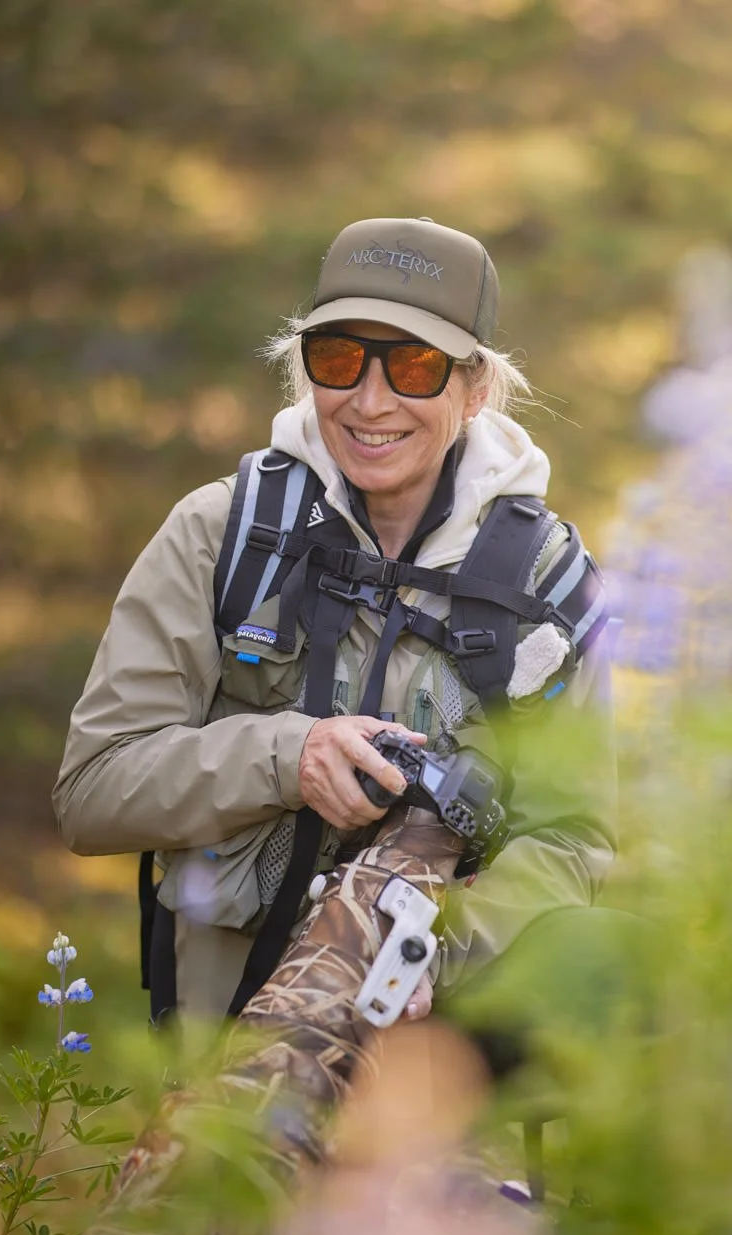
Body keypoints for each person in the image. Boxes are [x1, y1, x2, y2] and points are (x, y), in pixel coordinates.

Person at [52, 215, 617, 1038]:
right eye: (338, 359)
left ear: (475, 389)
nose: (369, 400)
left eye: (414, 366)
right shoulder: (221, 534)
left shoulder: (549, 583)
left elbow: (571, 838)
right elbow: (91, 791)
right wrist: (288, 757)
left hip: (435, 1071)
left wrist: (435, 946)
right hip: (221, 1059)